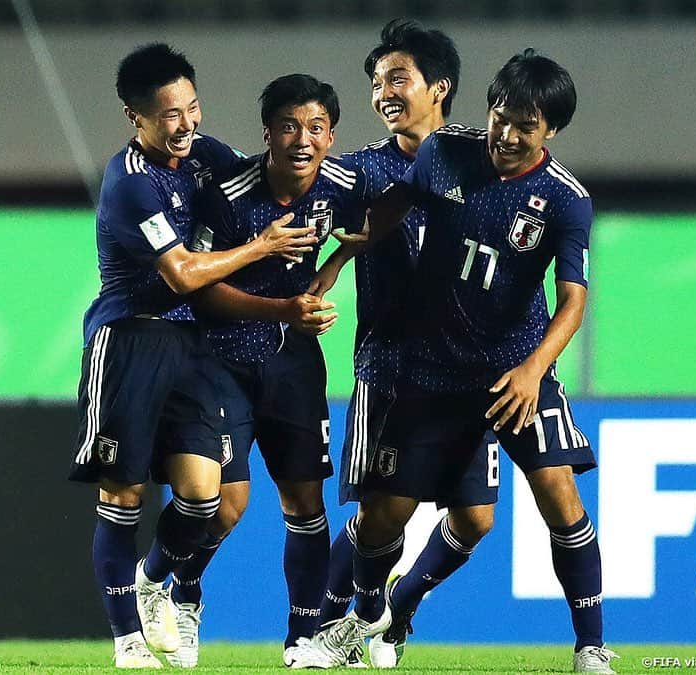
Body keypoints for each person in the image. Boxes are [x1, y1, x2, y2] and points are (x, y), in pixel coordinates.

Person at [296, 49, 619, 674]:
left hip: (513, 374)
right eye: (500, 114)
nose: (506, 133)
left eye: (524, 124)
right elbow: (395, 205)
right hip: (433, 374)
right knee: (383, 513)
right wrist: (338, 261)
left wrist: (533, 372)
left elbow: (573, 304)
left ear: (550, 130)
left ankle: (591, 648)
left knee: (559, 496)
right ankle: (363, 621)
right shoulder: (445, 152)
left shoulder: (565, 200)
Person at [68, 44, 316, 669]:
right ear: (136, 118)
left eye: (193, 108)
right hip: (127, 340)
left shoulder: (204, 157)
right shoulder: (129, 183)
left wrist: (346, 223)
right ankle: (128, 640)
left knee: (208, 497)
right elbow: (180, 274)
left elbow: (269, 180)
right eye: (169, 115)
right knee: (122, 493)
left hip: (190, 344)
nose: (187, 125)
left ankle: (159, 580)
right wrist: (260, 248)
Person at [301, 19, 498, 669]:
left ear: (439, 87)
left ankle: (397, 608)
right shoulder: (359, 170)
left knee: (475, 521)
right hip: (388, 369)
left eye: (397, 78)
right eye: (376, 82)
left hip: (470, 372)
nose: (383, 92)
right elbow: (299, 213)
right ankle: (334, 629)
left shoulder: (484, 163)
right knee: (376, 517)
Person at [154, 73, 367, 669]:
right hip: (220, 356)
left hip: (293, 362)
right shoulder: (228, 194)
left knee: (306, 504)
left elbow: (386, 213)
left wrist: (334, 265)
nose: (304, 139)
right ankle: (184, 592)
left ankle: (305, 636)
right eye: (290, 126)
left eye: (317, 127)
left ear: (331, 135)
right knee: (226, 504)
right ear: (268, 133)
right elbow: (201, 290)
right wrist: (285, 308)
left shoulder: (344, 184)